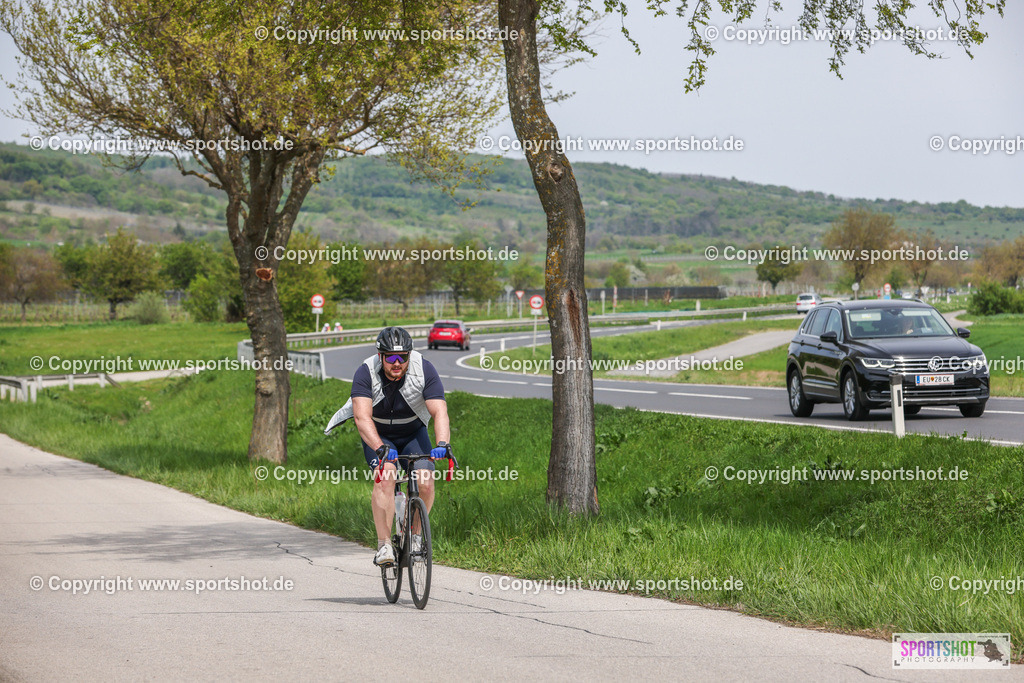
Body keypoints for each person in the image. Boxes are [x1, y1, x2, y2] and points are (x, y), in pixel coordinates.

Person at [323, 326, 453, 566]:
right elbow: (362, 418)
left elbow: (440, 412)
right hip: (379, 436)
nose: (396, 363)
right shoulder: (366, 372)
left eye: (402, 357)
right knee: (386, 475)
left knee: (425, 480)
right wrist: (380, 447)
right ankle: (384, 546)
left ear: (409, 356)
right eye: (390, 357)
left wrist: (443, 443)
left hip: (413, 432)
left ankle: (414, 536)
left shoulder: (424, 369)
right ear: (380, 356)